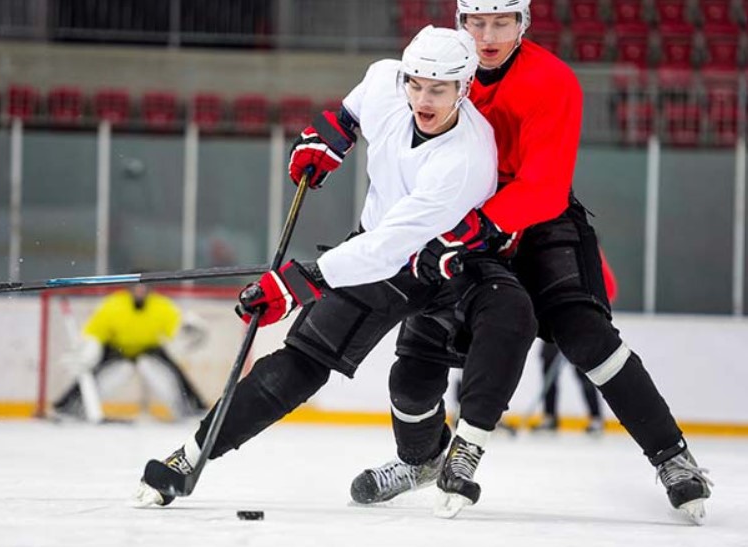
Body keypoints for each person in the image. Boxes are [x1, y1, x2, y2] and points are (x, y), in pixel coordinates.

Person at [133, 25, 537, 510]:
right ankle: (189, 457)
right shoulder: (385, 81)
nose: (423, 100)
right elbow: (351, 112)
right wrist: (330, 138)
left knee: (417, 376)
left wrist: (302, 281)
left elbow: (391, 247)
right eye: (415, 84)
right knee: (301, 360)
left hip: (450, 264)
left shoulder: (467, 159)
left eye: (438, 89)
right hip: (379, 245)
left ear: (465, 87)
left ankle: (439, 455)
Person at [349, 0, 712, 524]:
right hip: (462, 224)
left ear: (524, 23)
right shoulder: (437, 74)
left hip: (534, 223)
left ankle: (674, 457)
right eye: (477, 22)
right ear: (460, 24)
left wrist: (473, 227)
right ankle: (421, 459)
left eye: (503, 22)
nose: (488, 35)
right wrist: (331, 132)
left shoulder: (552, 80)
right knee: (416, 360)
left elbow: (544, 185)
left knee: (588, 338)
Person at [52, 284, 206, 422]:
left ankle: (195, 407)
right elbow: (95, 331)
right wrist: (89, 349)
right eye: (136, 287)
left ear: (150, 289)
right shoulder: (113, 304)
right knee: (91, 372)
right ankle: (66, 406)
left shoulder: (162, 305)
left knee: (175, 372)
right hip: (117, 347)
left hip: (149, 348)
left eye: (144, 287)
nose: (140, 290)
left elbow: (176, 329)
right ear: (129, 288)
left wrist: (188, 329)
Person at [532, 250, 617, 434]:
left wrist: (592, 311)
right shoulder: (552, 252)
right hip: (554, 319)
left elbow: (609, 289)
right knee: (547, 363)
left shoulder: (590, 255)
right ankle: (550, 416)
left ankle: (595, 417)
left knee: (583, 369)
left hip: (580, 321)